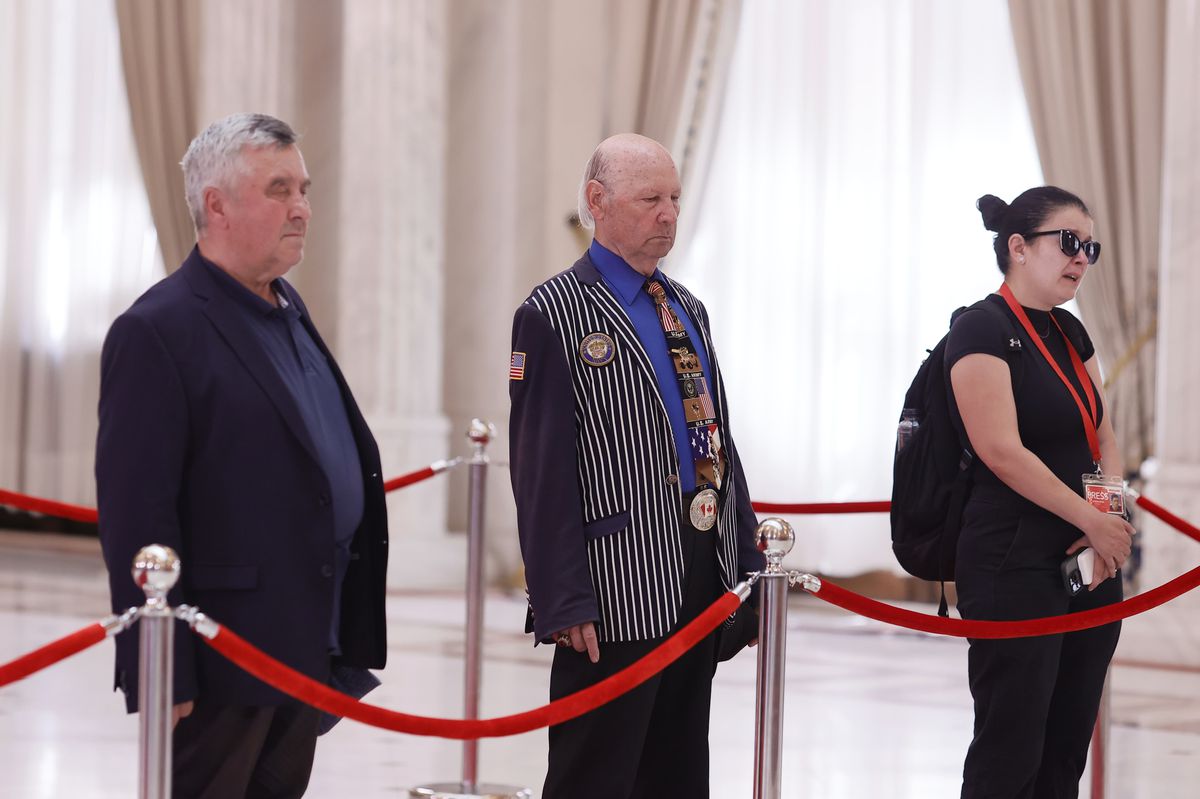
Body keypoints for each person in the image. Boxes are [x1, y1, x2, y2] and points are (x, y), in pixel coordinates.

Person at [96, 113, 388, 797]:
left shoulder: (287, 305)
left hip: (302, 643)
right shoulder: (157, 329)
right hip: (220, 658)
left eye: (304, 189)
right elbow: (137, 512)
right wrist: (156, 665)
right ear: (217, 205)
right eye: (279, 189)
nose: (302, 209)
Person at [507, 133, 765, 799]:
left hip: (697, 572)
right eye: (651, 198)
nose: (668, 213)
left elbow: (717, 440)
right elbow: (539, 470)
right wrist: (561, 596)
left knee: (677, 771)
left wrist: (746, 565)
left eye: (674, 198)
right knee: (594, 772)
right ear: (598, 201)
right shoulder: (552, 313)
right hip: (611, 584)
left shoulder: (686, 308)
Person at [947, 186, 1135, 798]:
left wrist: (1102, 520)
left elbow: (1104, 433)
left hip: (1085, 556)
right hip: (1011, 558)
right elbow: (1001, 450)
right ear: (1019, 247)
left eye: (1091, 248)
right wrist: (1095, 519)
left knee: (1065, 743)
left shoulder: (1070, 332)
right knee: (1012, 743)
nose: (1082, 259)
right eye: (1070, 243)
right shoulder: (980, 327)